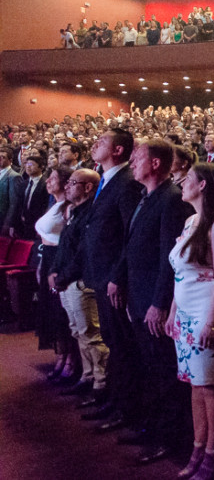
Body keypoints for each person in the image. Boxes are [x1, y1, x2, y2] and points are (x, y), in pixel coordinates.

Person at [111, 139, 193, 463]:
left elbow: (167, 259)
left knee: (163, 370)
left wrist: (160, 303)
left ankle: (169, 439)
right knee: (149, 367)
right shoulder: (148, 197)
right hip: (139, 296)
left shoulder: (172, 200)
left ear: (156, 163)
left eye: (137, 158)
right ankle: (153, 426)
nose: (131, 163)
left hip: (153, 302)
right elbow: (133, 246)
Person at [166, 163, 214, 480]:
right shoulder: (192, 220)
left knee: (210, 386)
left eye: (188, 180)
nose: (182, 184)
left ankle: (213, 454)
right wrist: (172, 312)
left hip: (211, 315)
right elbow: (181, 274)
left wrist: (208, 323)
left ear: (204, 185)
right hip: (186, 314)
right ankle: (198, 447)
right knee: (196, 387)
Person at [85, 129, 145, 432]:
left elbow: (129, 236)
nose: (95, 143)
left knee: (122, 347)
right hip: (101, 275)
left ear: (119, 150)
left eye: (103, 141)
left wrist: (117, 277)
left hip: (114, 280)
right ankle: (115, 401)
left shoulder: (127, 184)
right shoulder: (106, 178)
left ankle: (127, 409)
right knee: (111, 342)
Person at [49, 169, 110, 400]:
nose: (67, 186)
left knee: (91, 334)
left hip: (80, 281)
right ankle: (87, 376)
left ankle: (101, 383)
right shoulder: (74, 212)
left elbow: (83, 253)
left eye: (73, 183)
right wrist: (56, 271)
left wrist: (63, 276)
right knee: (78, 332)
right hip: (67, 280)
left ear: (88, 187)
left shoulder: (90, 214)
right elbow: (65, 247)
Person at [35, 166, 79, 384]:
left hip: (59, 260)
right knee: (51, 312)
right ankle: (60, 356)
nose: (48, 182)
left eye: (52, 178)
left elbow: (70, 240)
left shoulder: (68, 208)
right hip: (48, 258)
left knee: (62, 313)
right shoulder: (54, 204)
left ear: (64, 182)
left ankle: (71, 360)